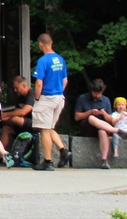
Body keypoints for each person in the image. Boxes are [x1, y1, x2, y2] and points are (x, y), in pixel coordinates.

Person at [32, 33, 70, 170]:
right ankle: (63, 151)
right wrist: (58, 91)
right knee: (49, 128)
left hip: (46, 98)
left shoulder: (43, 61)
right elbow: (65, 81)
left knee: (44, 130)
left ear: (40, 44)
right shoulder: (60, 59)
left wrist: (37, 98)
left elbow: (39, 83)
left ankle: (48, 162)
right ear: (51, 42)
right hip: (59, 97)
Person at [74, 78, 119, 168]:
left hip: (102, 125)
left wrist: (104, 113)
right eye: (95, 93)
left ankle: (104, 160)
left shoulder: (106, 100)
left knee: (102, 131)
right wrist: (90, 112)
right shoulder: (82, 98)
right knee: (91, 117)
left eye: (99, 93)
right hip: (88, 126)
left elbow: (110, 119)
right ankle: (116, 131)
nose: (97, 95)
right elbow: (77, 117)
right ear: (91, 91)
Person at [0, 75, 35, 163]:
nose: (15, 90)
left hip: (33, 123)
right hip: (21, 124)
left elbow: (23, 112)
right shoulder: (20, 98)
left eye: (17, 88)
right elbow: (16, 111)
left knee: (15, 119)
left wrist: (5, 114)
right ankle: (0, 157)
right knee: (6, 128)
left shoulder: (32, 95)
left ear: (24, 85)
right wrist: (4, 118)